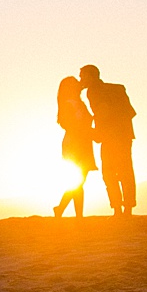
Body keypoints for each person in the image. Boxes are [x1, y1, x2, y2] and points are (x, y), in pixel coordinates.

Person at [80, 65, 137, 215]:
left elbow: (102, 113)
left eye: (82, 76)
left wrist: (96, 131)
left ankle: (118, 208)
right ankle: (127, 209)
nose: (81, 79)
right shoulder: (118, 88)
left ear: (91, 76)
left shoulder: (93, 91)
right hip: (124, 135)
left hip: (111, 136)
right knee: (125, 171)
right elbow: (129, 112)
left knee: (110, 173)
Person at [53, 76, 96, 217]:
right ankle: (75, 214)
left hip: (83, 142)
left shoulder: (79, 103)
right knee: (79, 179)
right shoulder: (67, 104)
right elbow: (68, 124)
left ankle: (62, 209)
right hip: (74, 143)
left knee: (80, 180)